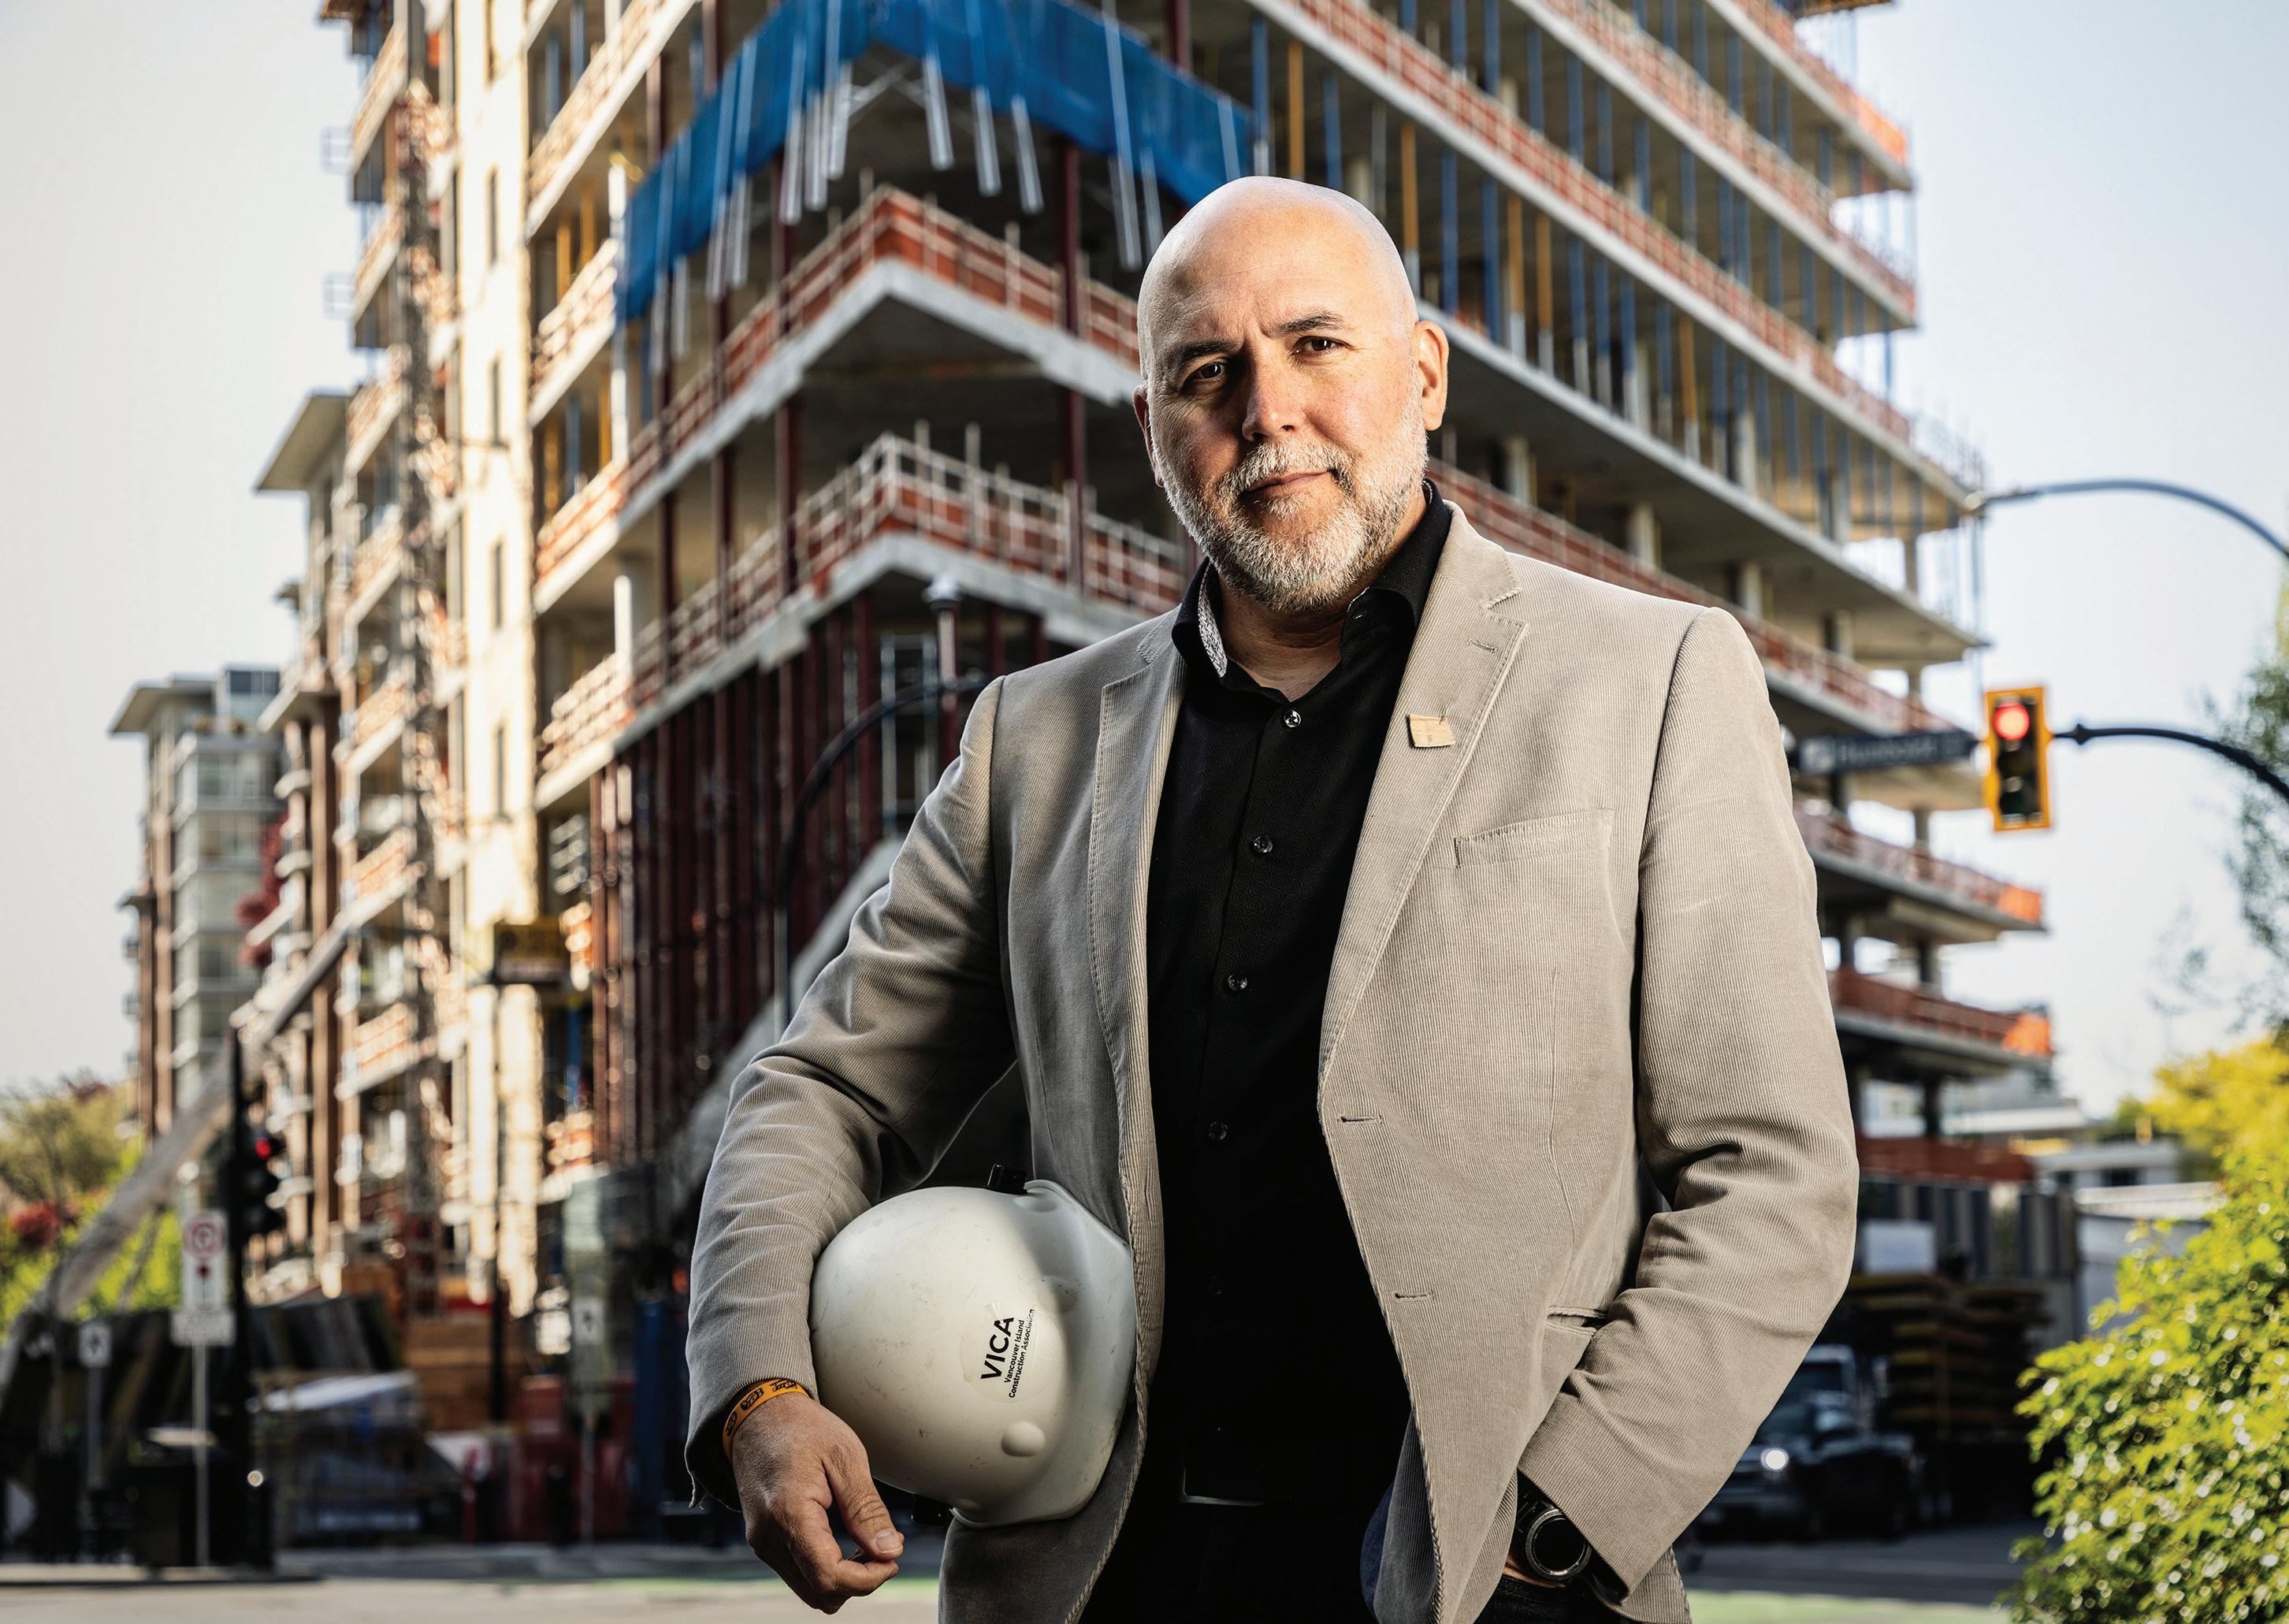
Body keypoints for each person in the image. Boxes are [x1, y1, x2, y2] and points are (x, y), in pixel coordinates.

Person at [683, 175, 1860, 1624]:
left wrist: (1553, 1528)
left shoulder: (1655, 678)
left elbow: (1770, 1176)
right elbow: (822, 1087)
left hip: (1478, 1582)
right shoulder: (1031, 741)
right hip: (1101, 1582)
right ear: (1153, 429)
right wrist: (760, 1389)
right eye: (1206, 373)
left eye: (1316, 345)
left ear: (1423, 373)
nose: (1266, 408)